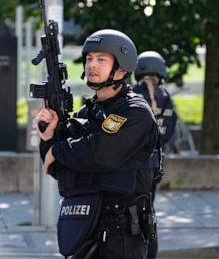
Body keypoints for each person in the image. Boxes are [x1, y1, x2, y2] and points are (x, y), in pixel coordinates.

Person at [36, 29, 159, 259]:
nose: (92, 65)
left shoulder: (135, 112)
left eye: (101, 60)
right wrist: (49, 138)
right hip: (85, 226)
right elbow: (58, 168)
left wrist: (58, 150)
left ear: (122, 68)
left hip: (121, 235)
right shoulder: (88, 112)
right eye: (89, 59)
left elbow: (101, 153)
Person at [133, 51, 178, 259]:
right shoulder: (166, 97)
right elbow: (168, 132)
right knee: (148, 209)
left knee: (128, 213)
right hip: (154, 165)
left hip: (132, 165)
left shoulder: (132, 93)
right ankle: (150, 253)